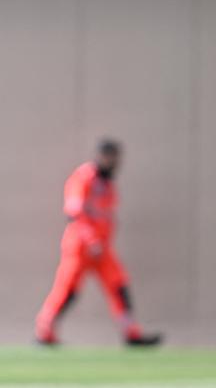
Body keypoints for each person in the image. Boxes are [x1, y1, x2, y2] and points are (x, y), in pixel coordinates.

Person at [34, 139, 162, 347]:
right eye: (112, 157)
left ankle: (131, 332)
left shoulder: (108, 183)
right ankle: (45, 330)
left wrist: (100, 241)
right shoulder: (84, 177)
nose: (115, 162)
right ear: (102, 156)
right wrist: (91, 239)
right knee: (68, 290)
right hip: (80, 246)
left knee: (119, 285)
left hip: (102, 248)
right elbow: (74, 212)